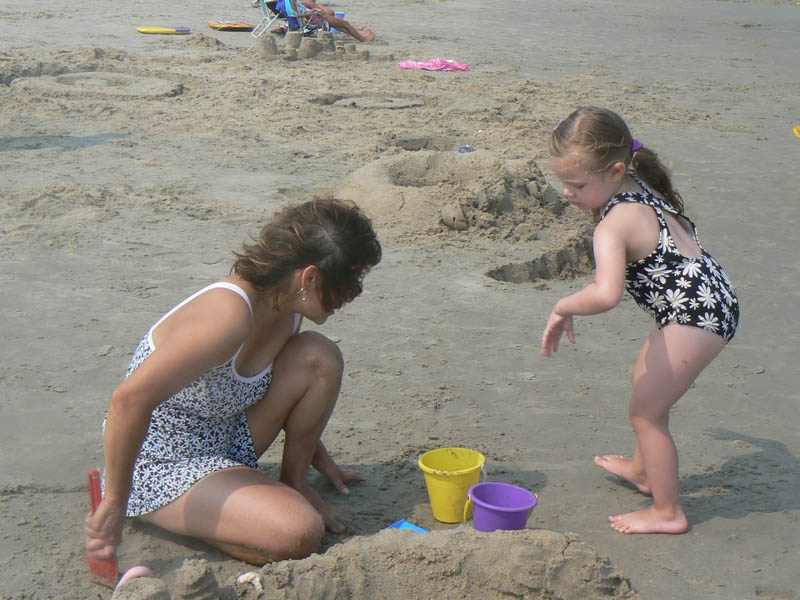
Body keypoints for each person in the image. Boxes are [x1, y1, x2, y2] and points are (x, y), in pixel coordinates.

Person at [85, 198, 382, 565]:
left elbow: (294, 395)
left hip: (226, 436)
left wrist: (317, 457)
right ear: (310, 278)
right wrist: (115, 500)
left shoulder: (287, 310)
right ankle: (170, 510)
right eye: (351, 281)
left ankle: (292, 485)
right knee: (300, 532)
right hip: (160, 462)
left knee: (319, 357)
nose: (353, 294)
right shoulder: (228, 317)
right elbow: (128, 400)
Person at [541, 107, 739, 535]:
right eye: (563, 182)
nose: (568, 193)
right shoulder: (639, 182)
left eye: (578, 185)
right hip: (704, 299)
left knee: (646, 414)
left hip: (694, 315)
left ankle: (668, 512)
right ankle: (642, 469)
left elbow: (606, 294)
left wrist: (563, 306)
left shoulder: (612, 226)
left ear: (615, 171)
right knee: (643, 384)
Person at [276, 0, 375, 42]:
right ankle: (364, 40)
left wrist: (312, 10)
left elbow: (295, 12)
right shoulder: (289, 2)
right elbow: (296, 13)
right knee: (345, 24)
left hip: (310, 18)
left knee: (341, 25)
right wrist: (313, 11)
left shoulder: (283, 2)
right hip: (313, 20)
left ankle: (361, 36)